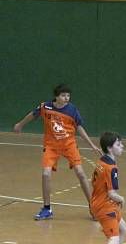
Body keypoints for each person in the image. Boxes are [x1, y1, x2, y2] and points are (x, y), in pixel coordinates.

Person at [13, 84, 102, 220]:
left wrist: (92, 145)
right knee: (46, 174)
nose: (66, 98)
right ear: (56, 96)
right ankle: (47, 209)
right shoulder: (45, 107)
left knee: (80, 173)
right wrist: (20, 124)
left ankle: (93, 207)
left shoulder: (72, 110)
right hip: (51, 146)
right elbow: (32, 115)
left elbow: (79, 128)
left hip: (69, 145)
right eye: (63, 95)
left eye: (68, 95)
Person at [88, 132, 126, 244]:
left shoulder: (101, 162)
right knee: (114, 238)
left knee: (123, 228)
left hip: (98, 202)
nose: (122, 146)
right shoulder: (111, 168)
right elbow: (112, 193)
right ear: (110, 148)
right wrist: (122, 199)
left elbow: (95, 183)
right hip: (105, 206)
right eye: (119, 144)